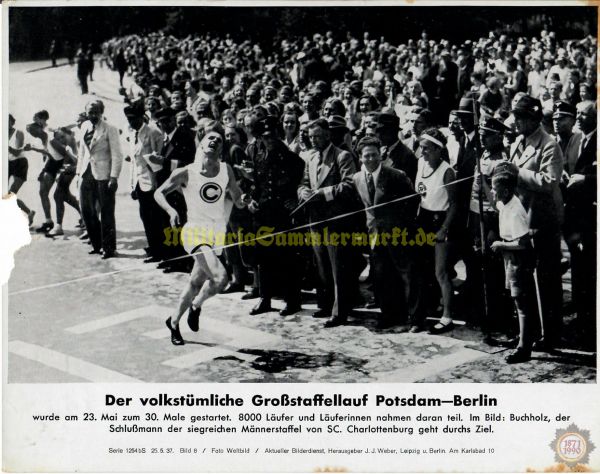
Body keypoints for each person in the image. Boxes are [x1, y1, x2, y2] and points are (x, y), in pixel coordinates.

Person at [155, 131, 247, 346]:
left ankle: (175, 321)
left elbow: (238, 199)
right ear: (201, 145)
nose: (214, 141)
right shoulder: (187, 172)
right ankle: (196, 306)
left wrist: (247, 200)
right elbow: (159, 192)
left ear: (221, 149)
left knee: (196, 282)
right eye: (210, 138)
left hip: (217, 233)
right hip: (195, 232)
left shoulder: (226, 170)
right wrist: (171, 211)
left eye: (219, 140)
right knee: (221, 278)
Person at [509, 94, 564, 351]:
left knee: (545, 280)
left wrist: (517, 173)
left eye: (520, 118)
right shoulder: (518, 142)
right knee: (523, 279)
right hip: (521, 220)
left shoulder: (549, 144)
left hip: (542, 221)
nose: (516, 122)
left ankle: (550, 334)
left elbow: (549, 180)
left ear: (533, 119)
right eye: (515, 117)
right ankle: (527, 332)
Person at [351, 136, 420, 330]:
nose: (371, 159)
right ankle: (391, 315)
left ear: (380, 155)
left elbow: (412, 201)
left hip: (398, 234)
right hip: (375, 235)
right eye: (366, 156)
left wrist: (402, 227)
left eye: (374, 155)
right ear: (360, 158)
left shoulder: (396, 175)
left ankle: (416, 318)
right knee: (382, 277)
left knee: (409, 276)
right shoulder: (357, 178)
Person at [297, 118, 357, 327]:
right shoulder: (311, 158)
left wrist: (323, 193)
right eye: (311, 136)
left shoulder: (343, 156)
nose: (314, 140)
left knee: (338, 267)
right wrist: (302, 192)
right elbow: (304, 182)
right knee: (321, 265)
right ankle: (325, 304)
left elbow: (350, 185)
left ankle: (340, 312)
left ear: (328, 135)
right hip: (316, 219)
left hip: (336, 220)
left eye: (318, 136)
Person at [246, 116, 305, 316]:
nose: (268, 140)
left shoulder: (291, 159)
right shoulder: (259, 157)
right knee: (263, 258)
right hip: (263, 215)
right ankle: (265, 298)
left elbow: (301, 184)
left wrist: (296, 200)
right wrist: (251, 200)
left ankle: (292, 300)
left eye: (272, 136)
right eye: (265, 137)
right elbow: (255, 184)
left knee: (286, 258)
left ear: (278, 135)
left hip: (282, 216)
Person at [490, 166, 538, 364]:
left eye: (495, 189)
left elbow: (523, 243)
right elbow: (496, 206)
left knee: (522, 304)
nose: (492, 193)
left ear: (507, 191)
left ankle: (523, 348)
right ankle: (524, 337)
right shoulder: (505, 203)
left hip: (518, 259)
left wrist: (501, 244)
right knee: (518, 302)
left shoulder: (515, 210)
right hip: (510, 258)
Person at [414, 128, 458, 334]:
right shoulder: (420, 163)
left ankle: (447, 316)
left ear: (439, 150)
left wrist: (443, 229)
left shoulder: (447, 171)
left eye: (427, 149)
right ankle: (422, 314)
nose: (422, 152)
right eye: (421, 148)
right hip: (423, 219)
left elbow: (454, 205)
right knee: (422, 269)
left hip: (440, 221)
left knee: (440, 272)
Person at [563, 100, 596, 350]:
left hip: (590, 215)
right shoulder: (576, 139)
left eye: (585, 114)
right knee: (579, 269)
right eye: (578, 114)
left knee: (589, 271)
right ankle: (581, 321)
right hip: (575, 215)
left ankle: (589, 325)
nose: (579, 118)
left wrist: (585, 178)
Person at [76, 100, 123, 258]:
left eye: (96, 112)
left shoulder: (110, 129)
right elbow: (82, 152)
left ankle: (109, 248)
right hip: (86, 174)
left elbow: (117, 155)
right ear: (86, 113)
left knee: (107, 212)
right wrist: (78, 173)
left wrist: (114, 177)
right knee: (86, 210)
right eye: (90, 112)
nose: (93, 115)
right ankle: (96, 244)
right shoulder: (84, 127)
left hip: (104, 176)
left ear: (102, 112)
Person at [123, 105, 165, 262]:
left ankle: (160, 252)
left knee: (155, 218)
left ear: (142, 117)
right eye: (129, 119)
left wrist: (156, 183)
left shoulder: (153, 132)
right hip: (140, 182)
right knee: (145, 217)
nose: (131, 121)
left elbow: (158, 159)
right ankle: (154, 249)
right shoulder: (133, 133)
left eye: (134, 118)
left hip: (152, 183)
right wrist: (132, 185)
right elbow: (134, 162)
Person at [48, 128, 81, 236]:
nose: (61, 140)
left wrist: (70, 167)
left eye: (63, 137)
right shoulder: (68, 145)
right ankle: (84, 216)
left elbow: (81, 162)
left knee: (58, 195)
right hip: (68, 171)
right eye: (59, 139)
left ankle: (58, 226)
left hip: (73, 171)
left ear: (70, 134)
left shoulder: (77, 143)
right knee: (65, 195)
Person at [7, 114, 35, 225]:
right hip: (7, 163)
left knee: (10, 195)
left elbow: (17, 152)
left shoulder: (18, 133)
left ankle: (28, 212)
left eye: (7, 121)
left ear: (12, 122)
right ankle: (29, 212)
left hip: (20, 163)